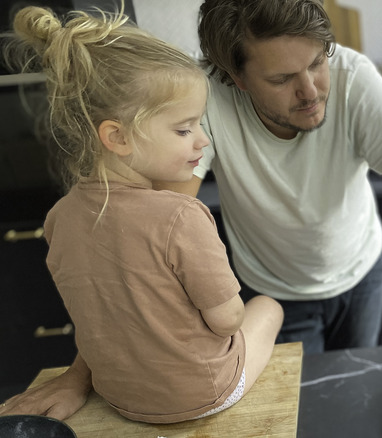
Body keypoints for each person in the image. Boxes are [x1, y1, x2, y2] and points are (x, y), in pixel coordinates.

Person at [0, 0, 382, 421]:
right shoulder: (200, 107)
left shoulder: (355, 80)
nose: (313, 90)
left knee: (352, 402)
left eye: (319, 61)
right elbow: (136, 257)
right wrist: (82, 372)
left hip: (362, 274)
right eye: (284, 77)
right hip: (271, 296)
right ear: (233, 79)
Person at [0, 4, 282, 423]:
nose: (202, 140)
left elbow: (100, 317)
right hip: (206, 394)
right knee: (269, 306)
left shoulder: (59, 218)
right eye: (184, 129)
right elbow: (226, 321)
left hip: (122, 400)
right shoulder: (182, 216)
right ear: (118, 137)